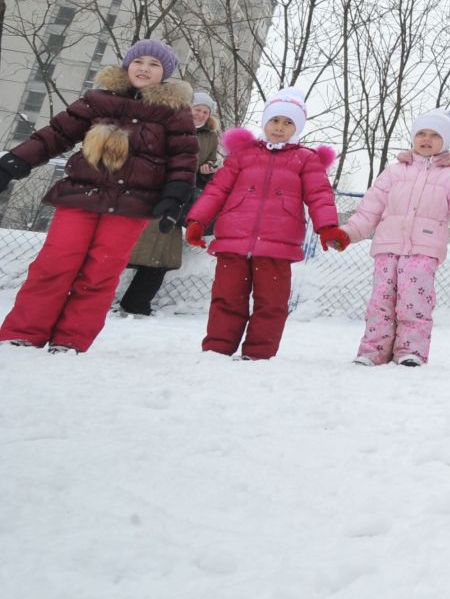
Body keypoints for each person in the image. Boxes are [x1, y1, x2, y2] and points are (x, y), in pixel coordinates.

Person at [0, 40, 197, 353]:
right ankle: (23, 332)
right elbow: (57, 133)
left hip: (131, 206)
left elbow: (184, 158)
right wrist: (16, 161)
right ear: (127, 65)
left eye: (154, 64)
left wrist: (174, 198)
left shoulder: (174, 114)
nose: (144, 68)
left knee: (100, 273)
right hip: (81, 197)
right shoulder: (98, 100)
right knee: (54, 265)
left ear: (165, 74)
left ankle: (71, 340)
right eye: (139, 61)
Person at [185, 88, 346, 361]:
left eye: (288, 123)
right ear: (265, 122)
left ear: (297, 128)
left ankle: (259, 353)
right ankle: (217, 349)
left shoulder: (305, 160)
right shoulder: (243, 156)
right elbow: (216, 191)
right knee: (226, 297)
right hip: (233, 240)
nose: (280, 128)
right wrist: (197, 220)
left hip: (277, 245)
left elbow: (320, 195)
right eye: (275, 121)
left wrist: (328, 227)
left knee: (271, 303)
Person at [339, 110, 450, 367]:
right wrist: (348, 233)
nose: (426, 139)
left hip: (424, 250)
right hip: (388, 246)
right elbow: (370, 208)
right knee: (381, 301)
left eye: (435, 135)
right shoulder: (394, 172)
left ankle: (411, 350)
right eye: (421, 134)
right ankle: (373, 350)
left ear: (446, 141)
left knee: (414, 301)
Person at [119, 90, 222, 316]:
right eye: (198, 110)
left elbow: (209, 164)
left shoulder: (210, 137)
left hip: (178, 199)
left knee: (161, 257)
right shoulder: (167, 127)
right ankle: (97, 298)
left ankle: (136, 303)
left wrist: (207, 171)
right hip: (149, 193)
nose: (201, 115)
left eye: (205, 112)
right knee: (121, 250)